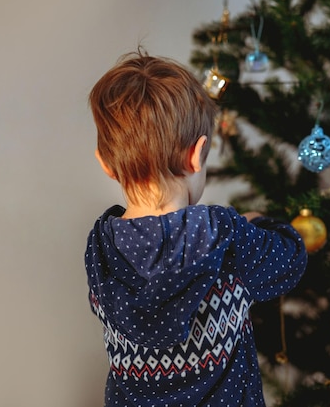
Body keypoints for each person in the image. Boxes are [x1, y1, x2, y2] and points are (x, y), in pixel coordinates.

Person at [84, 50, 308, 407]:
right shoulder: (224, 236)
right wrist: (258, 222)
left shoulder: (100, 249)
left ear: (106, 164)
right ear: (196, 154)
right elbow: (290, 261)